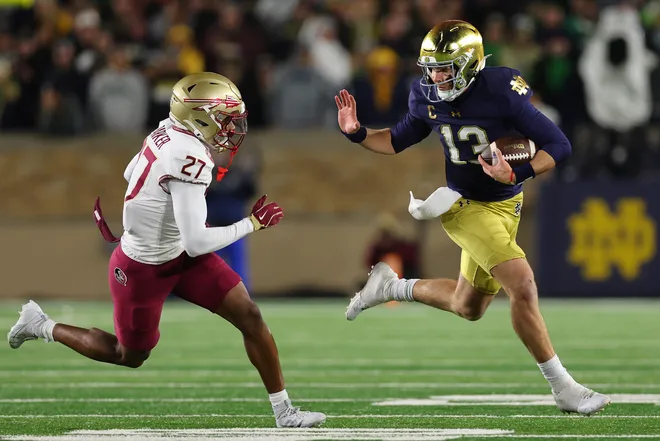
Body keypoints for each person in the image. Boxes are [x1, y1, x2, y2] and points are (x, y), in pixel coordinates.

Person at [8, 72, 326, 429]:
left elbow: (132, 172)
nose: (231, 127)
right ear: (199, 116)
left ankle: (284, 412)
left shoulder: (169, 131)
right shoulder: (190, 154)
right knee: (129, 355)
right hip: (143, 266)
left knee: (249, 315)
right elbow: (197, 241)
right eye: (224, 117)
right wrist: (251, 224)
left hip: (180, 256)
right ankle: (40, 325)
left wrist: (156, 210)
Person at [335, 20, 610, 416]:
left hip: (505, 203)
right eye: (431, 68)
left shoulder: (500, 90)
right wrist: (358, 132)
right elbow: (395, 140)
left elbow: (559, 144)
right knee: (523, 285)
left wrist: (518, 173)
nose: (436, 77)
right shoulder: (426, 97)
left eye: (445, 67)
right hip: (461, 205)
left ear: (469, 64)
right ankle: (564, 387)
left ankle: (391, 287)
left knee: (469, 306)